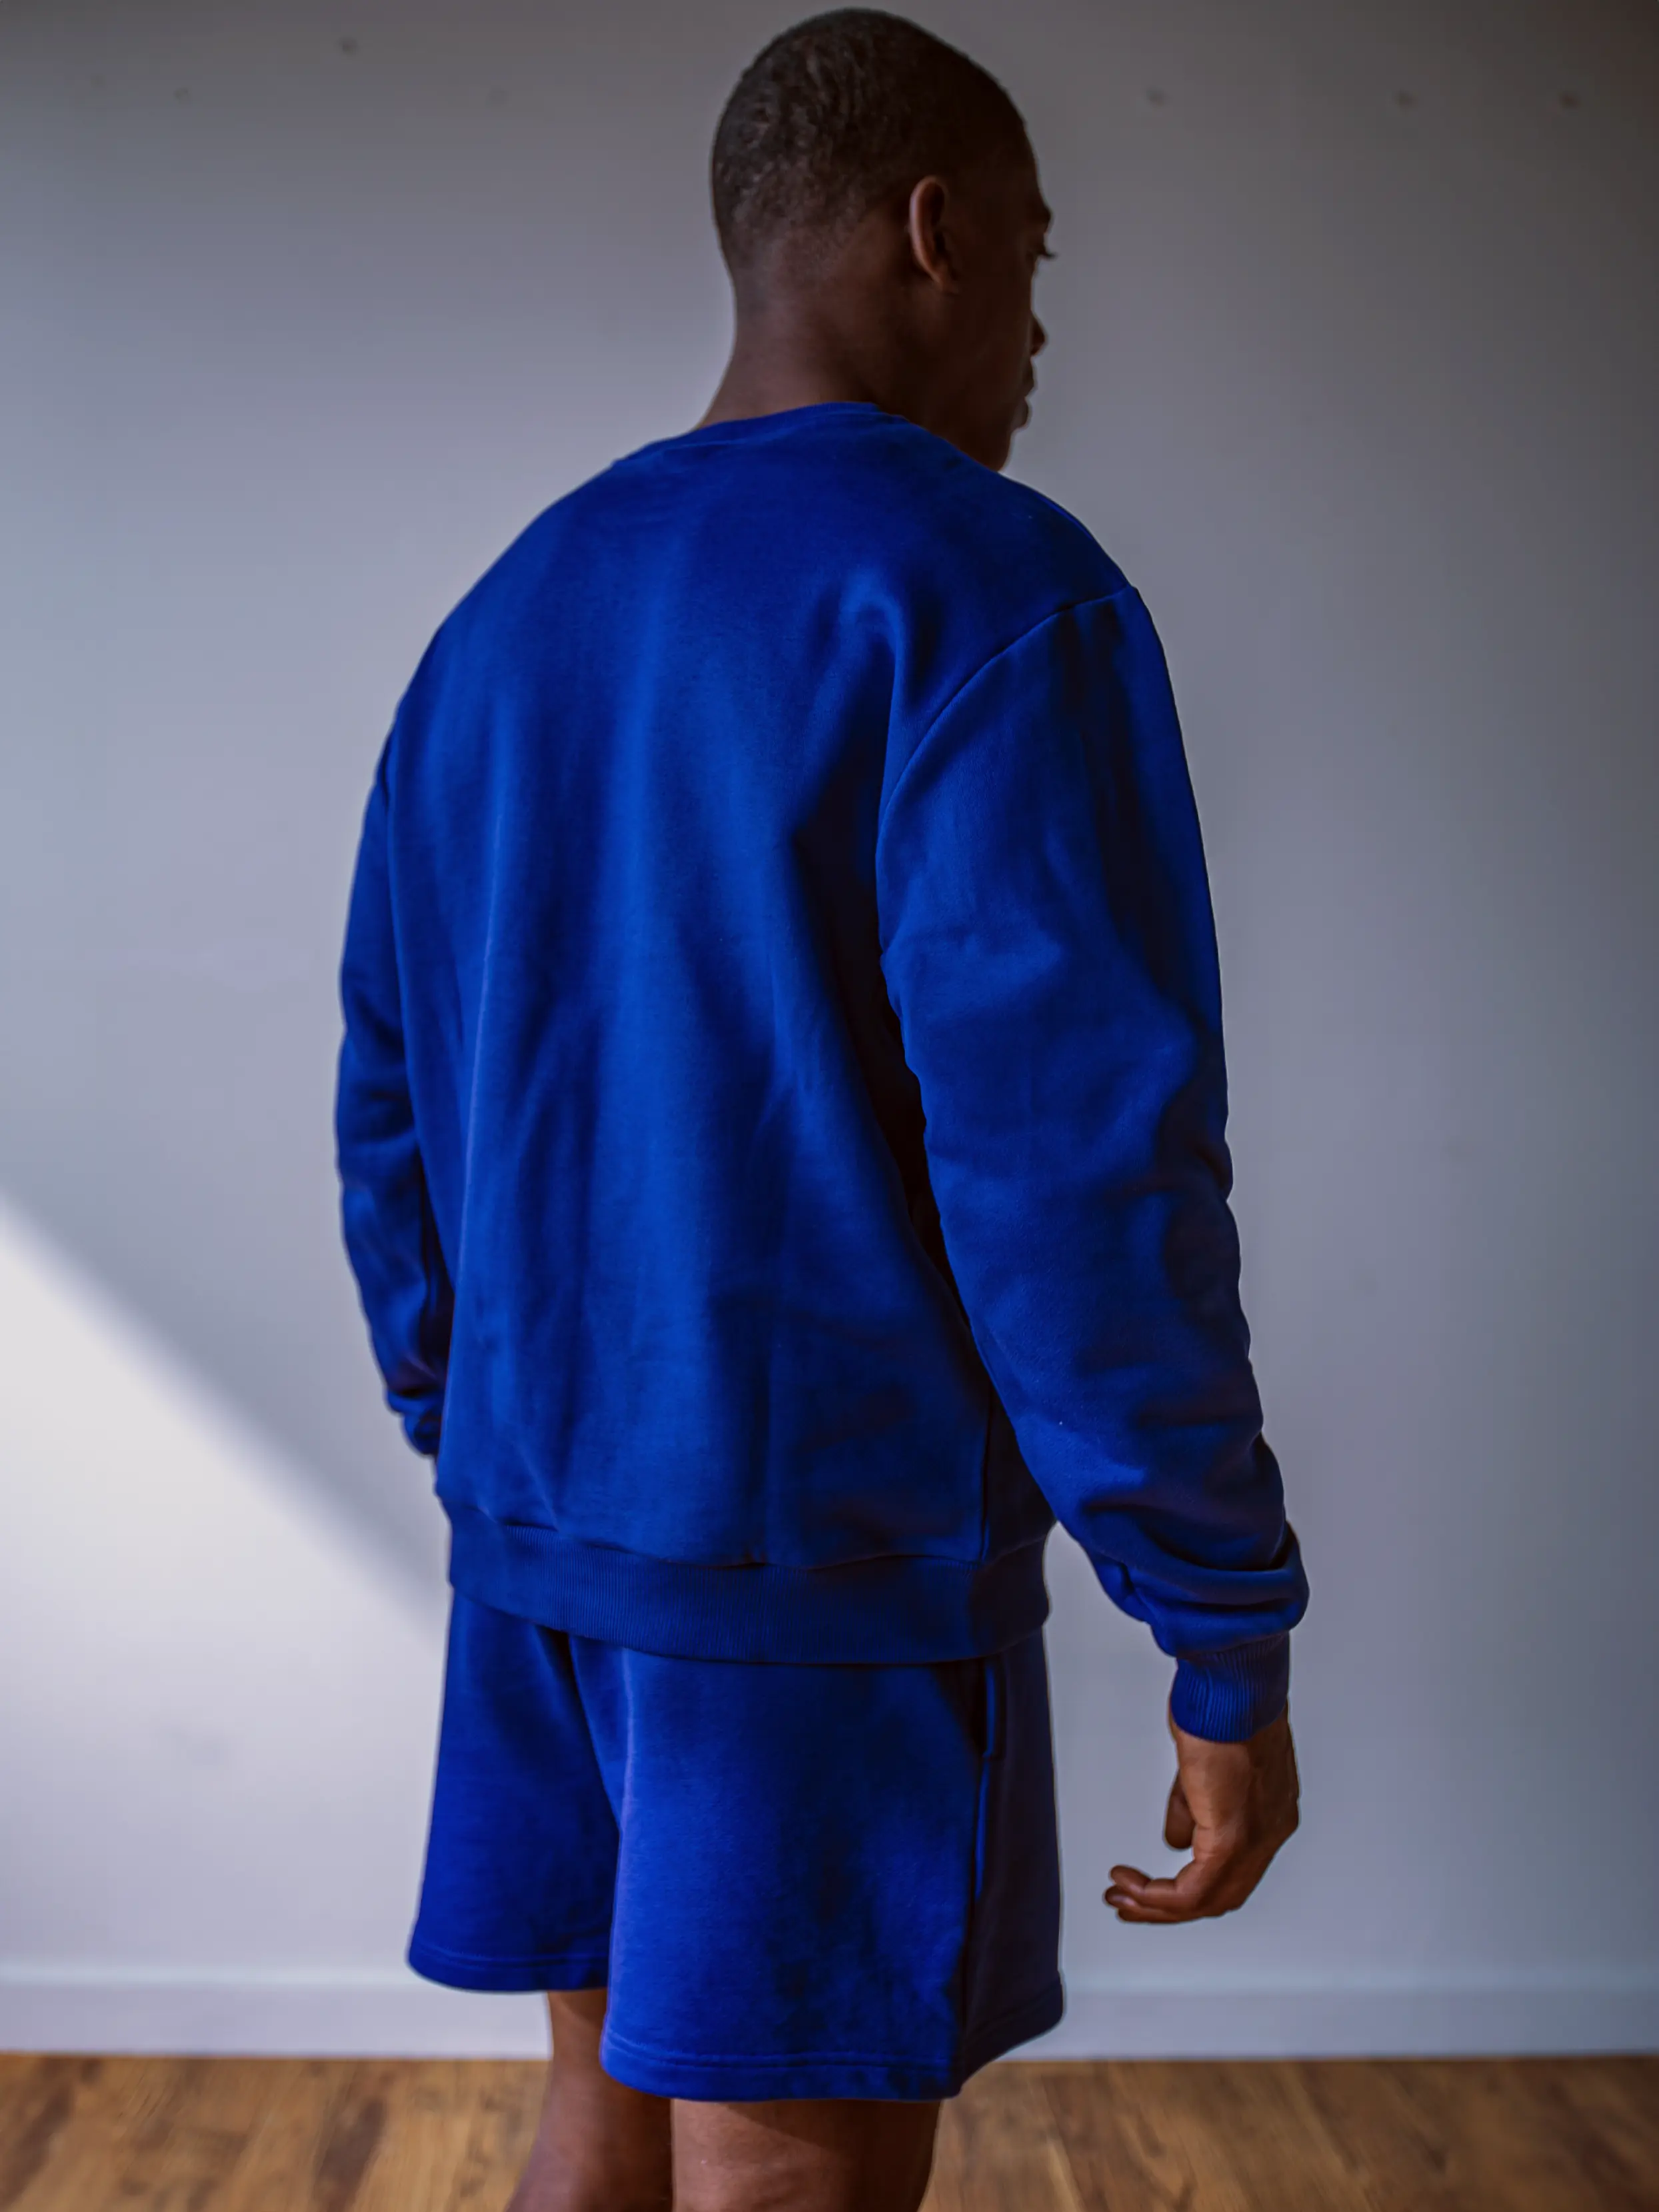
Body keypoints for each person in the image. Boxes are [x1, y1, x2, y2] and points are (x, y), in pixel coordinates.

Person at [333, 10, 1309, 2209]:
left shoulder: (509, 612)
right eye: (1036, 256)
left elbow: (389, 1093)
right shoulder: (990, 592)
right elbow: (1083, 1175)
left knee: (594, 2125)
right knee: (785, 2177)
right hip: (820, 1588)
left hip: (549, 1551)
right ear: (933, 228)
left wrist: (483, 1427)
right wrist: (1218, 1615)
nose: (1042, 329)